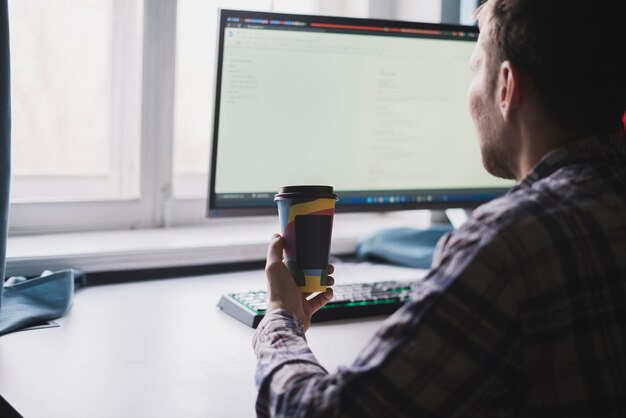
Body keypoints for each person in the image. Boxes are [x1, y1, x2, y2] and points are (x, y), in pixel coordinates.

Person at [253, 0, 626, 416]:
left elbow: (324, 412)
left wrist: (280, 317)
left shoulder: (506, 245)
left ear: (507, 87)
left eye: (474, 67)